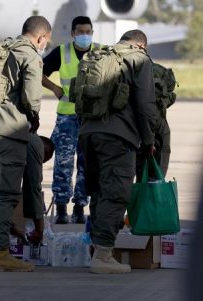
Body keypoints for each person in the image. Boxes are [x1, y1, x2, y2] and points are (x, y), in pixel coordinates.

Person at [0, 16, 51, 272]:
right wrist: (34, 117)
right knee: (8, 194)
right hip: (7, 131)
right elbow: (31, 98)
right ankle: (0, 252)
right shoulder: (31, 56)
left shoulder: (2, 49)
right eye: (45, 41)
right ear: (40, 38)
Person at [79, 29, 157, 274]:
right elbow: (145, 105)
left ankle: (97, 249)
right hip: (118, 136)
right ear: (141, 45)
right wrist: (148, 139)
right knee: (116, 193)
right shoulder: (139, 59)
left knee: (99, 190)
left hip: (88, 133)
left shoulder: (98, 55)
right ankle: (103, 255)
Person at [41, 16, 98, 224]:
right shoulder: (61, 52)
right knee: (63, 162)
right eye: (80, 32)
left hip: (92, 117)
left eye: (88, 31)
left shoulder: (101, 52)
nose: (85, 35)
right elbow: (39, 72)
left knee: (87, 163)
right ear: (73, 33)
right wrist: (54, 88)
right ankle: (62, 206)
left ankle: (80, 207)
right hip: (67, 116)